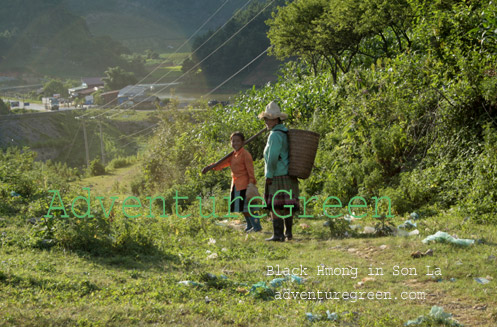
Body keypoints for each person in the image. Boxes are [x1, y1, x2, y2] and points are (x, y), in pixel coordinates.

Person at [202, 132, 262, 232]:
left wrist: (251, 183)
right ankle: (249, 225)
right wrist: (210, 167)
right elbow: (221, 164)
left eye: (238, 141)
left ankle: (256, 227)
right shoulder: (233, 155)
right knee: (243, 209)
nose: (235, 143)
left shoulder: (245, 154)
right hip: (236, 184)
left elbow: (250, 171)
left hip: (245, 184)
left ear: (242, 142)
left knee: (249, 208)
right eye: (233, 141)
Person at [258, 101, 299, 241]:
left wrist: (268, 175)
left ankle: (278, 234)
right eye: (265, 119)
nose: (266, 122)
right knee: (287, 204)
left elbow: (273, 157)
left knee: (275, 205)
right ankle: (288, 233)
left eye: (268, 119)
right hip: (287, 173)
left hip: (277, 175)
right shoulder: (284, 132)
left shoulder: (274, 135)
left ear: (276, 119)